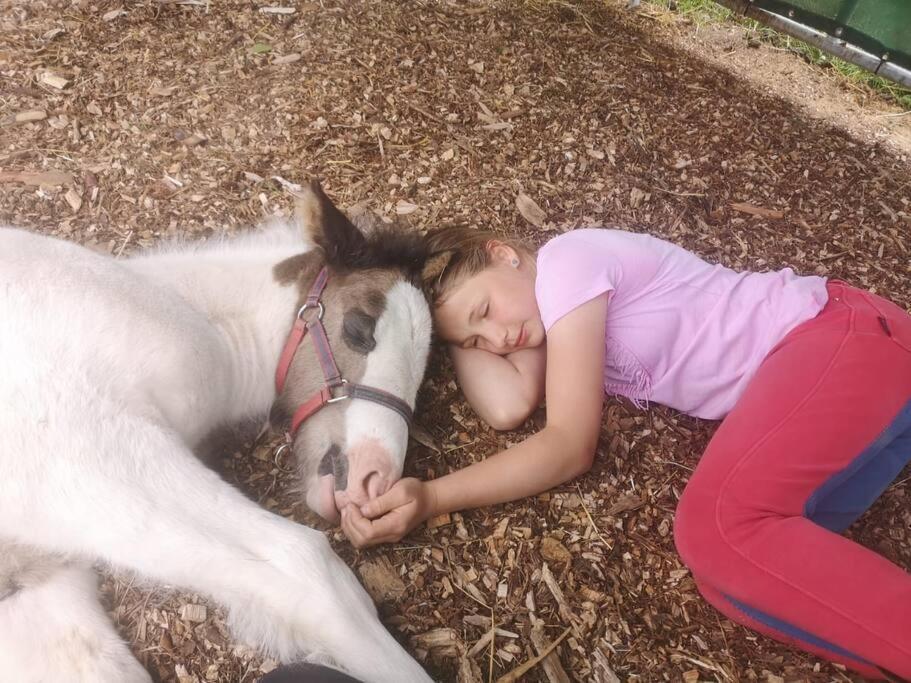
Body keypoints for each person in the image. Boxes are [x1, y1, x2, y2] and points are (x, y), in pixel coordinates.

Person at [339, 225, 911, 679]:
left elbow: (567, 445)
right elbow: (508, 406)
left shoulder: (567, 263)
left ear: (505, 253)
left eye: (485, 312)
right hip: (852, 386)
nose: (498, 340)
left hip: (837, 334)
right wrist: (452, 330)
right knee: (737, 581)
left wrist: (432, 496)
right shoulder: (543, 318)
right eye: (476, 342)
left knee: (719, 530)